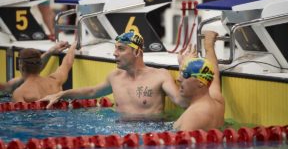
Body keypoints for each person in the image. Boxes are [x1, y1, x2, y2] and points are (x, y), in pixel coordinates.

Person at [42, 30, 188, 115]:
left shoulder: (160, 76)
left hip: (150, 140)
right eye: (115, 48)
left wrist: (184, 66)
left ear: (137, 52)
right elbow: (91, 92)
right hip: (119, 138)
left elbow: (182, 102)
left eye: (121, 49)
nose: (114, 53)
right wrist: (62, 94)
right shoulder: (115, 77)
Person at [173, 31, 225, 131]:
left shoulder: (193, 116)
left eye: (185, 74)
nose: (178, 79)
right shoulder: (218, 101)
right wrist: (208, 45)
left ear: (200, 82)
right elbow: (213, 71)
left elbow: (181, 145)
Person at [12, 40, 77, 102]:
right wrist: (73, 45)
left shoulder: (19, 93)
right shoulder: (55, 81)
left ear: (21, 66)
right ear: (40, 65)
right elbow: (67, 63)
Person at [0, 41, 70, 94]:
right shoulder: (53, 82)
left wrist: (50, 51)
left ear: (21, 66)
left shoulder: (17, 91)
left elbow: (32, 67)